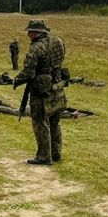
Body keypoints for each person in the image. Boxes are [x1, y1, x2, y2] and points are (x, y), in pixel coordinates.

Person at [13, 20, 66, 165]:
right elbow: (60, 60)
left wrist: (16, 81)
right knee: (55, 121)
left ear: (36, 32)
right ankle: (56, 153)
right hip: (57, 85)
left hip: (41, 90)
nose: (28, 34)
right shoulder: (58, 41)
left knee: (39, 121)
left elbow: (28, 73)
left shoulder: (36, 48)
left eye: (29, 31)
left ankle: (43, 156)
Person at [0, 98, 94, 119]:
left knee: (17, 109)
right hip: (34, 110)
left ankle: (0, 103)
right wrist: (72, 115)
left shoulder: (54, 103)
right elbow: (62, 115)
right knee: (15, 112)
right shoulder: (57, 110)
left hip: (34, 106)